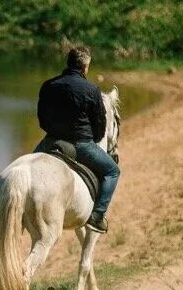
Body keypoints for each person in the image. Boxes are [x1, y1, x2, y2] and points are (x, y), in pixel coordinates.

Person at [34, 45, 121, 234]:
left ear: (68, 63)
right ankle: (97, 216)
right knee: (112, 171)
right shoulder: (91, 90)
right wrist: (92, 139)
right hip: (80, 144)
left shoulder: (49, 85)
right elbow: (99, 125)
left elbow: (41, 118)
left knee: (29, 165)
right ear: (85, 67)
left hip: (51, 141)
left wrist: (53, 132)